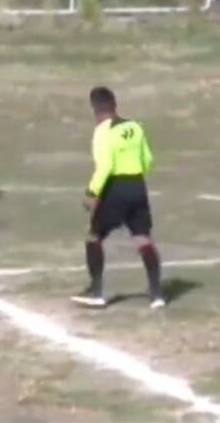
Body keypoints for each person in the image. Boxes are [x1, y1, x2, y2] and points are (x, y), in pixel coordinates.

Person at [72, 86, 165, 309]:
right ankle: (156, 294)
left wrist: (92, 193)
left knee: (94, 236)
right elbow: (148, 160)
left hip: (115, 188)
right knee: (143, 238)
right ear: (114, 104)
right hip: (137, 186)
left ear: (94, 109)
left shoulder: (103, 132)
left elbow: (105, 166)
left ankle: (96, 291)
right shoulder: (135, 126)